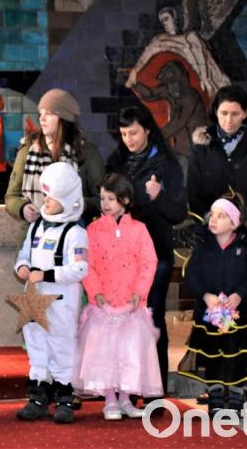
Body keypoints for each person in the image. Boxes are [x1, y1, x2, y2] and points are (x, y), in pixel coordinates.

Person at [188, 85, 247, 402]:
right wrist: (214, 223)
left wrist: (239, 224)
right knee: (209, 307)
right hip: (210, 235)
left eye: (235, 113)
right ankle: (212, 380)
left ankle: (246, 379)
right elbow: (194, 192)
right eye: (223, 113)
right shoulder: (203, 147)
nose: (228, 119)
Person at [106, 106, 187, 400]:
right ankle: (126, 389)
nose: (128, 139)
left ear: (148, 130)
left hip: (156, 257)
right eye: (124, 133)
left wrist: (159, 197)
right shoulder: (116, 162)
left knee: (152, 321)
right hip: (121, 259)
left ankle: (154, 393)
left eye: (134, 132)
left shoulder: (167, 164)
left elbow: (179, 212)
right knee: (122, 322)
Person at [72, 173, 162, 420]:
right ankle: (110, 400)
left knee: (128, 353)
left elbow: (148, 262)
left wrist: (139, 293)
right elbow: (86, 265)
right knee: (105, 354)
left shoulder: (139, 230)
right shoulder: (93, 230)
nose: (105, 204)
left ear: (125, 200)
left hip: (131, 306)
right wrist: (96, 292)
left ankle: (125, 399)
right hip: (104, 305)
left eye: (111, 199)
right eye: (102, 198)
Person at [13, 162, 89, 424]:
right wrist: (22, 267)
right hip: (34, 298)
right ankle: (38, 397)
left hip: (61, 301)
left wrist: (47, 275)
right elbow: (24, 255)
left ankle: (65, 398)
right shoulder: (36, 228)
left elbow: (79, 268)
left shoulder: (76, 233)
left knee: (61, 345)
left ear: (67, 200)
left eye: (51, 197)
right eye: (44, 196)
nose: (45, 201)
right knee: (36, 344)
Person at [177, 194, 247, 416]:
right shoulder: (203, 247)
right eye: (212, 215)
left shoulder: (245, 247)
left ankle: (235, 395)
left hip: (238, 316)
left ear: (234, 222)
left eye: (221, 216)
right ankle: (215, 395)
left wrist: (238, 296)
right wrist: (206, 296)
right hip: (210, 315)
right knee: (212, 355)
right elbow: (193, 276)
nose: (213, 220)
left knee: (237, 356)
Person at [5, 88, 105, 243]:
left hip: (73, 237)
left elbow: (102, 199)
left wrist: (74, 204)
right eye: (41, 113)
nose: (42, 119)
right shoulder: (28, 150)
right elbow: (11, 196)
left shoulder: (86, 153)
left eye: (49, 114)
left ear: (63, 119)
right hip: (33, 237)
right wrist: (22, 208)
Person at [126, 6, 230, 98]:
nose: (165, 23)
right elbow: (147, 53)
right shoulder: (160, 39)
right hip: (181, 81)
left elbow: (201, 57)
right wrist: (135, 70)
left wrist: (204, 78)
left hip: (202, 76)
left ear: (174, 18)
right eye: (162, 21)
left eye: (166, 19)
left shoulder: (190, 37)